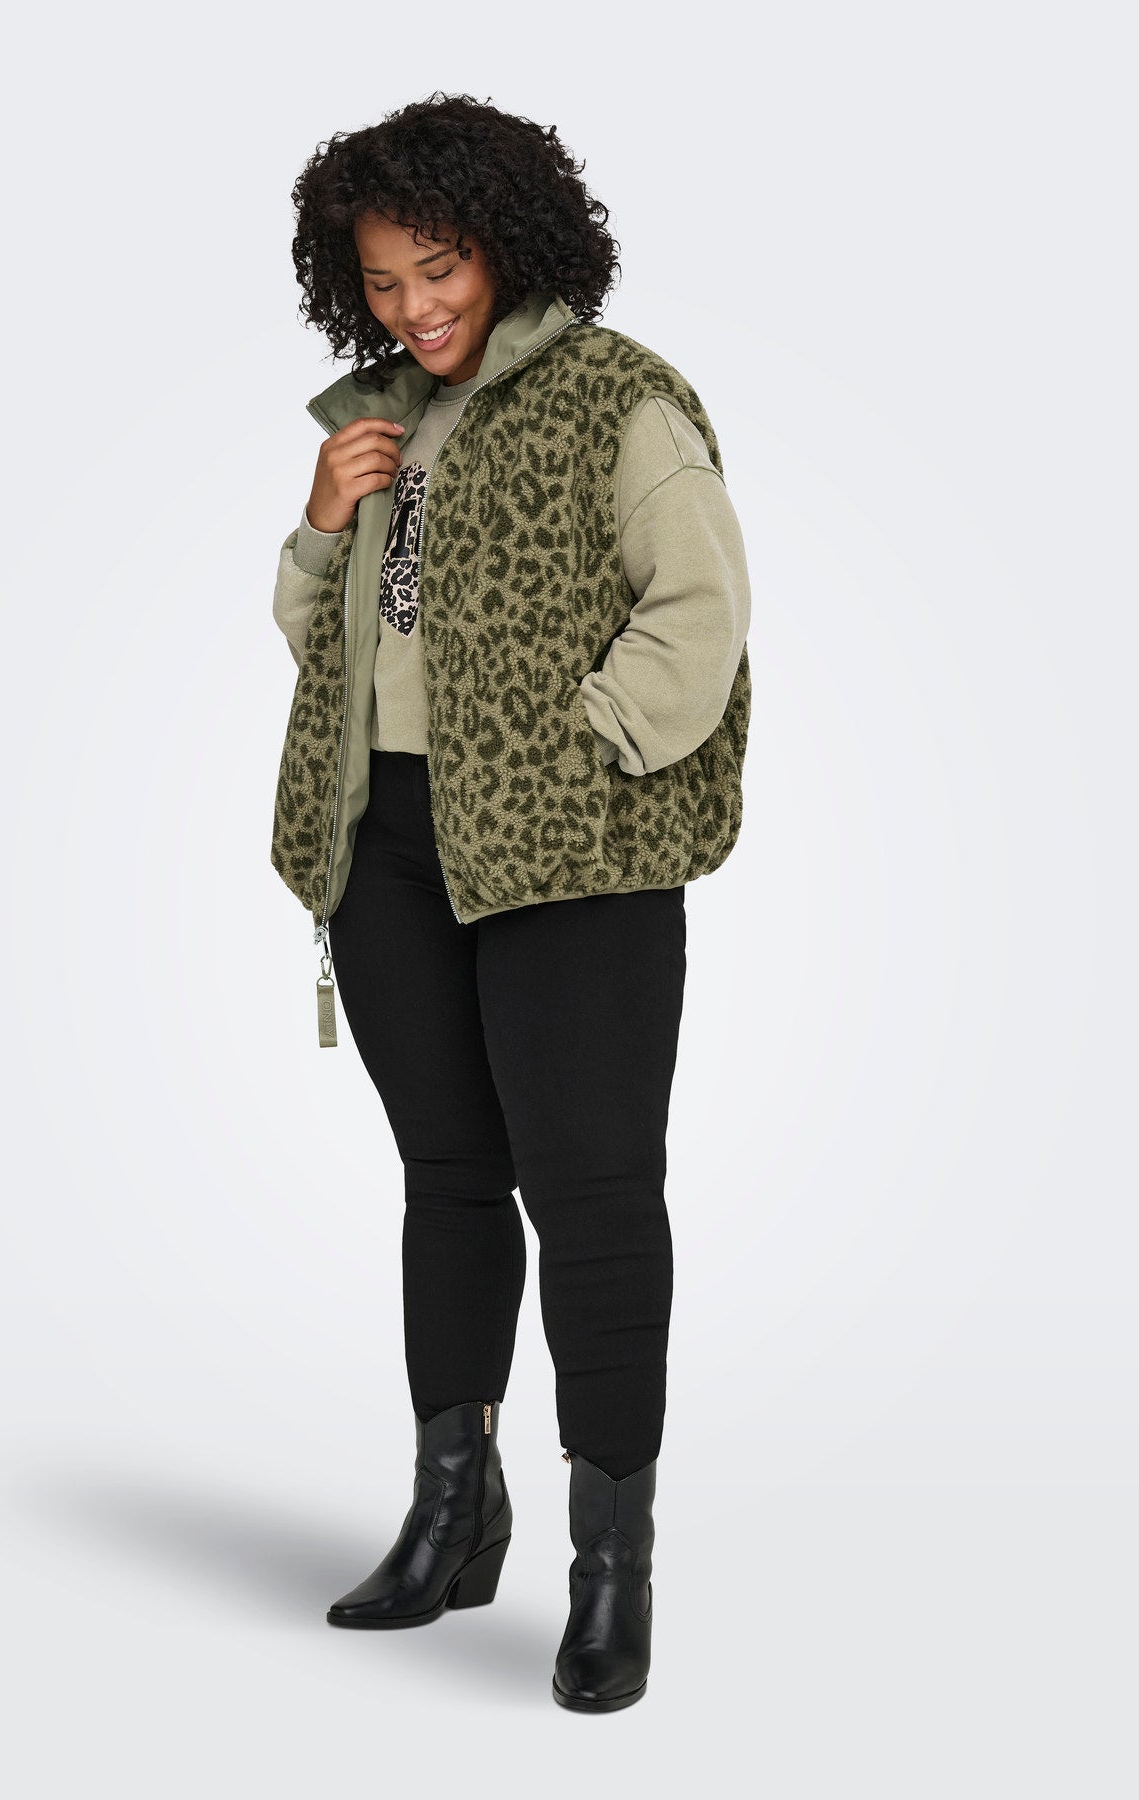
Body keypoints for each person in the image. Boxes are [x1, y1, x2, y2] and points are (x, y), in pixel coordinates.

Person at [269, 91, 752, 1713]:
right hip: (390, 843)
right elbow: (327, 643)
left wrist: (581, 750)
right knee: (450, 1181)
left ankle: (610, 1569)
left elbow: (698, 614)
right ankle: (451, 1513)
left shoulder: (621, 399)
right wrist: (323, 524)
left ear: (510, 245)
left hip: (568, 854)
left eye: (441, 269)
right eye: (382, 281)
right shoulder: (383, 417)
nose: (414, 307)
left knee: (594, 1197)